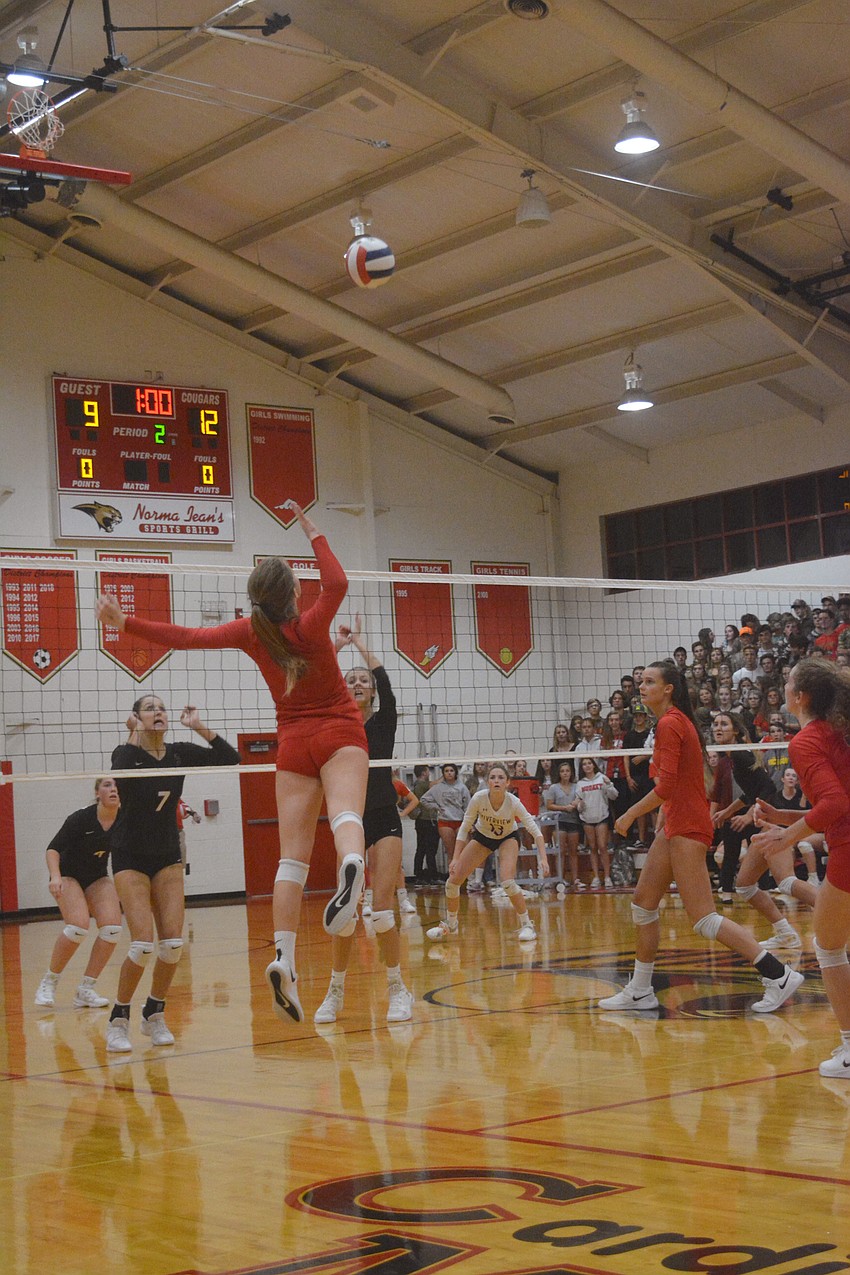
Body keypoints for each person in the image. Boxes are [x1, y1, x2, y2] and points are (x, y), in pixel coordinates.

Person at [96, 501, 369, 1032]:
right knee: (344, 817)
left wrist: (124, 621)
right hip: (337, 730)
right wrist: (311, 529)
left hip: (290, 742)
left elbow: (188, 638)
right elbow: (336, 583)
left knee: (291, 859)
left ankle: (284, 960)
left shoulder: (250, 631)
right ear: (292, 595)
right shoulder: (311, 626)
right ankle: (350, 868)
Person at [599, 662, 803, 1014]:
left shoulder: (670, 722)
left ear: (669, 689)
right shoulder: (674, 722)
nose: (641, 687)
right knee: (643, 904)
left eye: (650, 682)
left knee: (704, 918)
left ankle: (778, 974)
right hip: (676, 823)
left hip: (688, 827)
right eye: (640, 681)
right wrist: (664, 817)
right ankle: (640, 989)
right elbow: (681, 785)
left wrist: (630, 814)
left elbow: (663, 787)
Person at [97, 696, 240, 1051]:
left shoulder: (178, 753)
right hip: (130, 853)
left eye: (161, 708)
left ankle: (154, 1014)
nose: (158, 712)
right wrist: (133, 733)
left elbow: (230, 758)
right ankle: (118, 1018)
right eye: (149, 708)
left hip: (166, 852)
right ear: (137, 718)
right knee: (143, 944)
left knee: (173, 945)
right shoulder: (126, 753)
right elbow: (121, 768)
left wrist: (198, 727)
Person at [751, 659, 850, 1075]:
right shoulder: (837, 734)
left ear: (801, 696)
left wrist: (784, 837)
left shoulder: (806, 740)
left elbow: (837, 806)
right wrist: (784, 817)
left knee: (828, 947)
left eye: (788, 681)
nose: (784, 686)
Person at [313, 618, 414, 1026]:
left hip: (384, 817)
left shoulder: (384, 719)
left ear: (371, 690)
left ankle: (397, 989)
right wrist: (335, 648)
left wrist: (359, 645)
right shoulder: (335, 722)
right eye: (350, 681)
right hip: (349, 820)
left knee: (383, 912)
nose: (356, 684)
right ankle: (334, 992)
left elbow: (384, 681)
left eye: (362, 681)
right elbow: (318, 684)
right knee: (346, 912)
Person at [709, 713, 802, 950]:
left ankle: (830, 919)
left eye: (724, 724)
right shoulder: (733, 755)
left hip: (771, 820)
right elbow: (750, 792)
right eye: (715, 724)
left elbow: (767, 787)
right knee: (746, 884)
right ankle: (786, 934)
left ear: (737, 731)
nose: (717, 728)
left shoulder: (739, 754)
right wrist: (728, 811)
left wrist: (750, 814)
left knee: (787, 883)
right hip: (765, 818)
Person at [427, 763, 549, 942]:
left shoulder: (513, 802)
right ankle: (451, 924)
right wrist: (455, 858)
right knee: (452, 883)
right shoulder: (478, 798)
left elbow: (535, 831)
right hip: (483, 837)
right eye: (493, 777)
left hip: (508, 837)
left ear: (508, 782)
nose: (496, 781)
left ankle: (527, 925)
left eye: (501, 778)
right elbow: (465, 827)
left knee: (507, 881)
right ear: (487, 781)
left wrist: (543, 859)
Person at [34, 777, 123, 1010]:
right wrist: (54, 876)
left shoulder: (126, 819)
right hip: (67, 874)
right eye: (106, 785)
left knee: (113, 929)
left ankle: (86, 989)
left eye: (116, 786)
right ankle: (49, 982)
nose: (113, 789)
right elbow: (53, 849)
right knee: (78, 926)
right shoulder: (81, 818)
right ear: (97, 793)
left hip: (97, 877)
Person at [575, 757, 617, 889]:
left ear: (593, 765)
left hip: (602, 816)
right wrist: (579, 805)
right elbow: (578, 802)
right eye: (584, 764)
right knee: (592, 848)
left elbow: (614, 796)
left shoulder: (602, 778)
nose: (587, 766)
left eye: (589, 763)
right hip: (587, 819)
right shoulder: (580, 783)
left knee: (602, 847)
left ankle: (607, 876)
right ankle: (596, 877)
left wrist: (609, 785)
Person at [419, 763, 470, 871]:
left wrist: (469, 822)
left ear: (455, 772)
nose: (449, 773)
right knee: (451, 851)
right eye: (446, 771)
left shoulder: (462, 787)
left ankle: (467, 877)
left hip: (460, 821)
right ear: (443, 774)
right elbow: (423, 799)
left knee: (463, 851)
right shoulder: (438, 788)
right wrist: (436, 807)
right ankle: (453, 878)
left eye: (451, 770)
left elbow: (468, 806)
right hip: (445, 821)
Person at [545, 759, 583, 889]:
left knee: (573, 851)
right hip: (559, 822)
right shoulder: (553, 787)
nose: (565, 773)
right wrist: (564, 808)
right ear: (559, 773)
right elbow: (549, 805)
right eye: (562, 771)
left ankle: (575, 879)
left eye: (567, 771)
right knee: (560, 851)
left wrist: (576, 802)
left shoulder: (576, 786)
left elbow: (581, 797)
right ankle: (560, 879)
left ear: (571, 773)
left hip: (573, 821)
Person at [411, 764, 440, 884]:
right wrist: (445, 775)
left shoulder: (417, 784)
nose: (429, 774)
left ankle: (419, 875)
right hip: (426, 821)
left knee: (422, 848)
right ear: (424, 773)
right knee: (430, 849)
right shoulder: (421, 784)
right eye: (428, 771)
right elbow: (434, 784)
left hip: (422, 821)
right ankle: (431, 876)